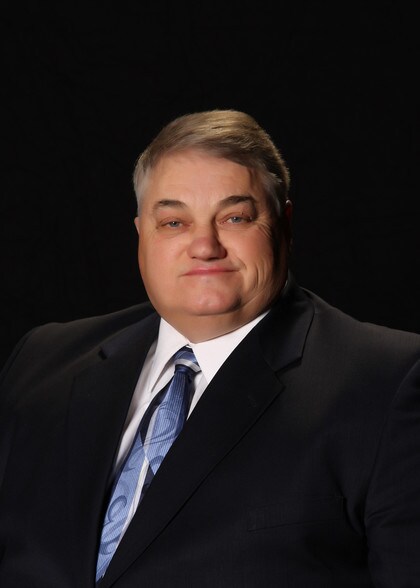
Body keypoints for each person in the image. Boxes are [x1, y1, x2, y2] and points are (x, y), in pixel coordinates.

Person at [0, 109, 419, 588]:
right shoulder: (41, 363)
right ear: (141, 234)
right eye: (173, 222)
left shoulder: (389, 384)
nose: (204, 245)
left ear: (284, 223)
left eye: (235, 217)